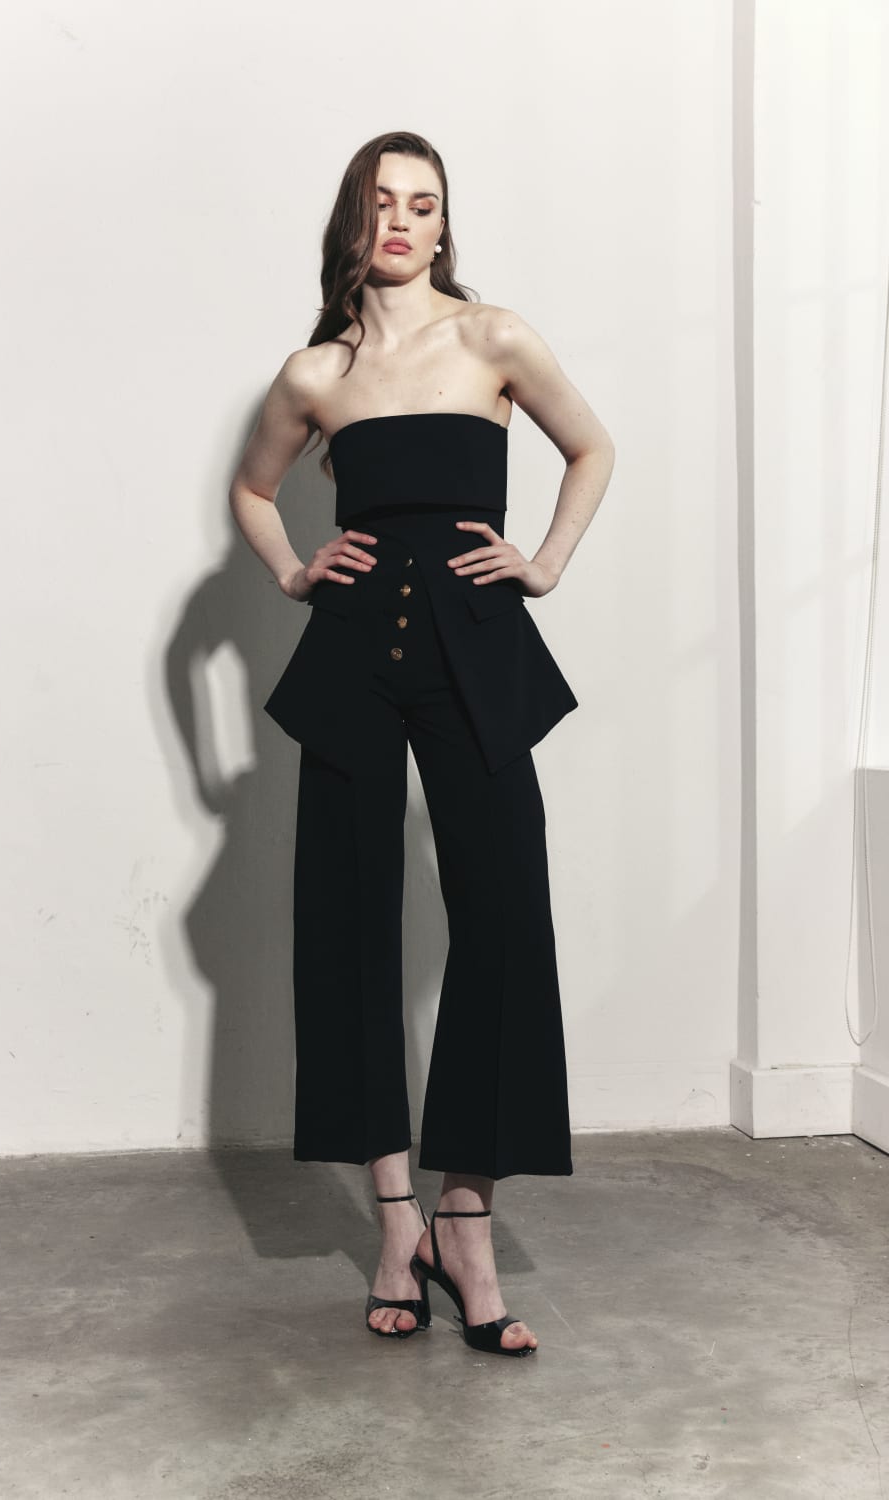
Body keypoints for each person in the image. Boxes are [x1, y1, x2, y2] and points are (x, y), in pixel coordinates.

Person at [229, 131, 614, 1357]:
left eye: (424, 203)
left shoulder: (493, 337)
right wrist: (293, 570)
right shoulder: (315, 371)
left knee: (502, 916)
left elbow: (592, 445)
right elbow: (251, 490)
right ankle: (397, 1224)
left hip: (476, 652)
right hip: (353, 653)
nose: (402, 220)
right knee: (349, 925)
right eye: (383, 202)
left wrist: (544, 562)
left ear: (445, 225)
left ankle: (467, 1220)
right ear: (355, 220)